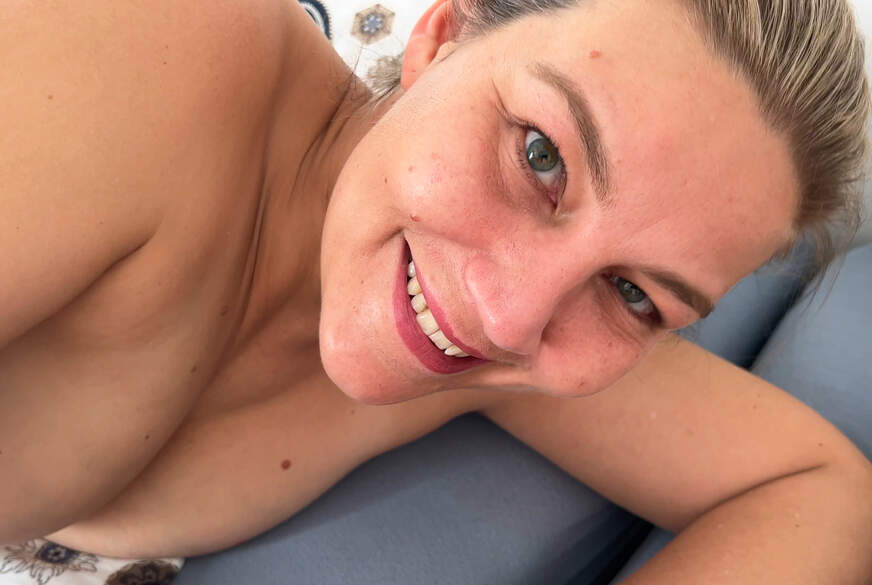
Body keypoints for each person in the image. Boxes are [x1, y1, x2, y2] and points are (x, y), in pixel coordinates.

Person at [2, 0, 870, 582]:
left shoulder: (515, 337)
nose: (510, 320)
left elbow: (818, 488)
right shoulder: (137, 54)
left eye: (635, 293)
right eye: (541, 156)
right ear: (441, 36)